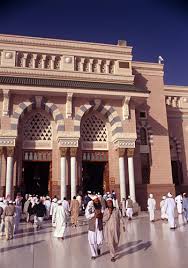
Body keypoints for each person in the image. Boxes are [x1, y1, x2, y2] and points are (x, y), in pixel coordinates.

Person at [103, 198, 125, 262]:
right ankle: (112, 255)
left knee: (116, 241)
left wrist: (123, 225)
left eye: (110, 202)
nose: (109, 204)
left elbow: (120, 218)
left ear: (112, 203)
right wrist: (109, 214)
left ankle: (114, 251)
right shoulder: (106, 210)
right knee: (110, 242)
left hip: (116, 229)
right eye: (108, 203)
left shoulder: (117, 210)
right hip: (109, 229)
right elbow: (104, 219)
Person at [85, 196, 103, 260]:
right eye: (95, 200)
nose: (97, 201)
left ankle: (98, 248)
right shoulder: (90, 206)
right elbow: (87, 216)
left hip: (99, 225)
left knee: (100, 240)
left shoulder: (100, 205)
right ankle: (93, 254)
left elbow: (103, 212)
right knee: (92, 240)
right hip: (92, 225)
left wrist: (101, 215)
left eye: (97, 199)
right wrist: (94, 215)